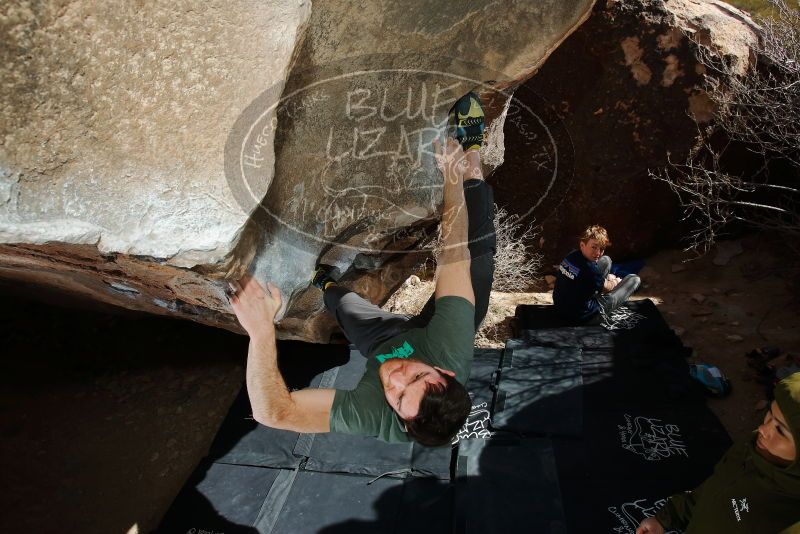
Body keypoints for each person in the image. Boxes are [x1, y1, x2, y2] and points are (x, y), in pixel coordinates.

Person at [229, 92, 496, 447]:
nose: (396, 377)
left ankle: (324, 283)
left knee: (345, 307)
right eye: (416, 377)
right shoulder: (451, 347)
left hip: (388, 340)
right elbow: (453, 253)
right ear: (443, 373)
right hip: (433, 334)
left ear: (398, 419)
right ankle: (473, 146)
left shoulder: (373, 414)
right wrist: (451, 175)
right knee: (477, 241)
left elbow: (274, 412)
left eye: (399, 398)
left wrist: (261, 332)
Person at [636, 372, 800, 534]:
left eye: (780, 430)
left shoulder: (787, 519)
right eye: (769, 414)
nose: (763, 429)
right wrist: (666, 518)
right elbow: (714, 489)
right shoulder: (751, 449)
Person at [552, 225, 640, 322]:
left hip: (560, 308)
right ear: (582, 245)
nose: (598, 253)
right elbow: (608, 287)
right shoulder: (590, 270)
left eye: (601, 248)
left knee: (606, 260)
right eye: (594, 247)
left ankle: (597, 288)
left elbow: (584, 276)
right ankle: (598, 306)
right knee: (634, 279)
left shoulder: (572, 255)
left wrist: (603, 280)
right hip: (583, 317)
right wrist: (616, 281)